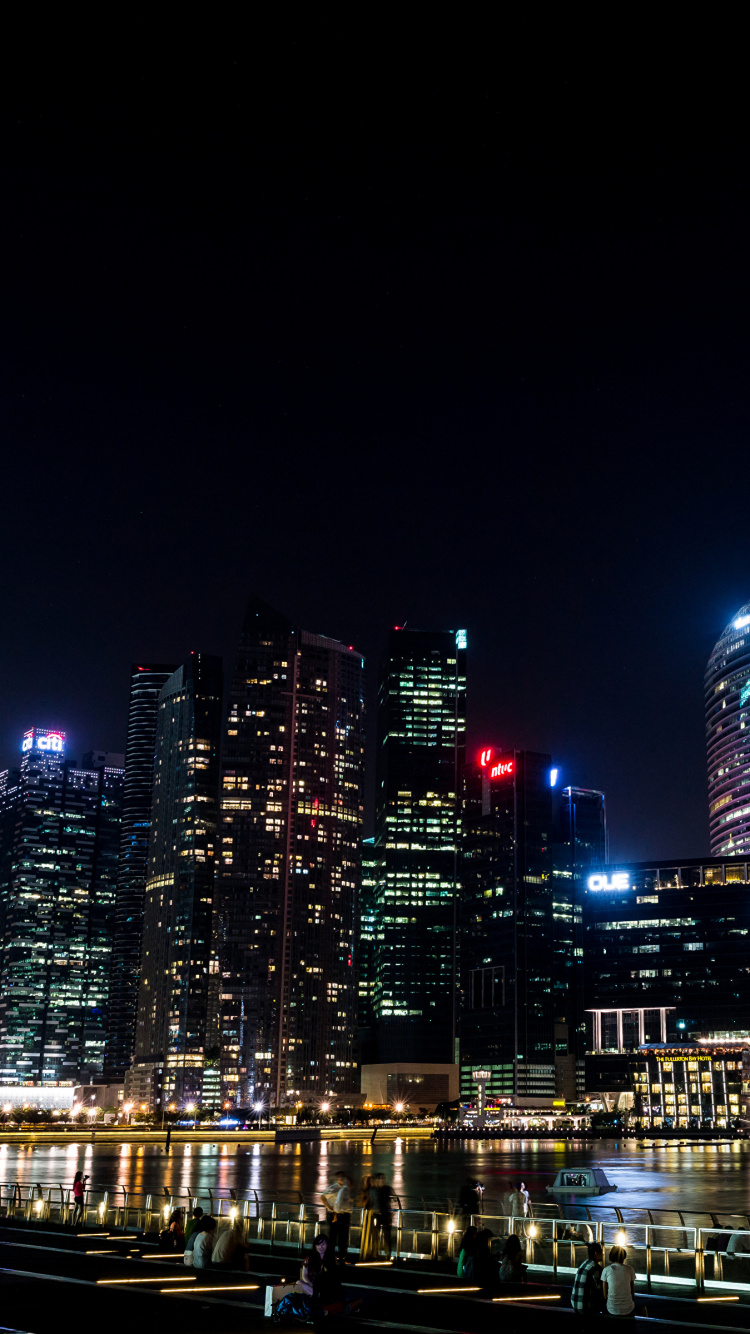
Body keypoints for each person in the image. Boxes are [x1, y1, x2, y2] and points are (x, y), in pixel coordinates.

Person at [571, 1241, 605, 1316]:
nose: (603, 1255)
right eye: (601, 1253)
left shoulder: (584, 1264)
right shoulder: (596, 1268)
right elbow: (600, 1288)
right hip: (585, 1306)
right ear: (596, 1254)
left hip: (575, 1303)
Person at [601, 1244, 636, 1317]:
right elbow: (632, 1292)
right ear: (624, 1257)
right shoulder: (630, 1269)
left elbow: (605, 1295)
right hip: (628, 1308)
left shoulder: (606, 1270)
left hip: (612, 1308)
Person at [320, 1170, 345, 1250]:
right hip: (333, 1214)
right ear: (337, 1178)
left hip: (342, 1214)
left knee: (342, 1236)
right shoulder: (333, 1188)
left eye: (342, 1177)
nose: (341, 1179)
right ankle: (330, 1254)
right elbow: (322, 1197)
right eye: (339, 1177)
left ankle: (341, 1256)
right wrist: (328, 1207)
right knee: (333, 1236)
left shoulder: (345, 1188)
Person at [373, 1172, 394, 1258]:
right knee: (375, 1234)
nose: (382, 1180)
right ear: (376, 1180)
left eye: (383, 1178)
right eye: (380, 1178)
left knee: (387, 1235)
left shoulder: (388, 1189)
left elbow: (394, 1199)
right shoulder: (373, 1190)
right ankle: (375, 1252)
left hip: (386, 1214)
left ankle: (387, 1253)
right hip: (376, 1214)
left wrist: (393, 1212)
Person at [359, 1174, 378, 1260]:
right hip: (369, 1212)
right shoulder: (369, 1190)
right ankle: (370, 1253)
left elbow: (362, 1202)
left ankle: (367, 1253)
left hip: (370, 1212)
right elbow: (363, 1202)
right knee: (371, 1233)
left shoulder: (368, 1190)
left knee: (369, 1233)